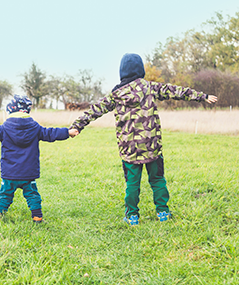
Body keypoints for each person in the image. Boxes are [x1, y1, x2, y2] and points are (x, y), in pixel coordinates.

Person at [70, 53, 218, 226]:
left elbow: (95, 110)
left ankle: (132, 216)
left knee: (132, 183)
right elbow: (175, 91)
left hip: (129, 150)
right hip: (152, 146)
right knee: (157, 180)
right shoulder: (149, 87)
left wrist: (77, 126)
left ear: (122, 72)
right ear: (141, 70)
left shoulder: (116, 94)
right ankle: (163, 212)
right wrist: (202, 96)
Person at [0, 95, 78, 223]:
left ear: (11, 110)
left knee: (5, 194)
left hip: (9, 173)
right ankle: (37, 217)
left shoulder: (4, 128)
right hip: (28, 173)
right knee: (32, 195)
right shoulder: (35, 128)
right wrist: (67, 132)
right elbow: (51, 133)